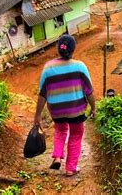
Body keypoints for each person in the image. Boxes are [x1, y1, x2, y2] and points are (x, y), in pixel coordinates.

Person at [34, 34, 96, 177]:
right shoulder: (80, 67)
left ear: (58, 49)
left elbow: (42, 94)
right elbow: (89, 91)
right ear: (73, 49)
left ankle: (57, 156)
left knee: (60, 131)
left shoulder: (48, 68)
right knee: (75, 135)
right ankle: (70, 168)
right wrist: (93, 108)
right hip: (76, 111)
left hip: (57, 111)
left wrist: (37, 115)